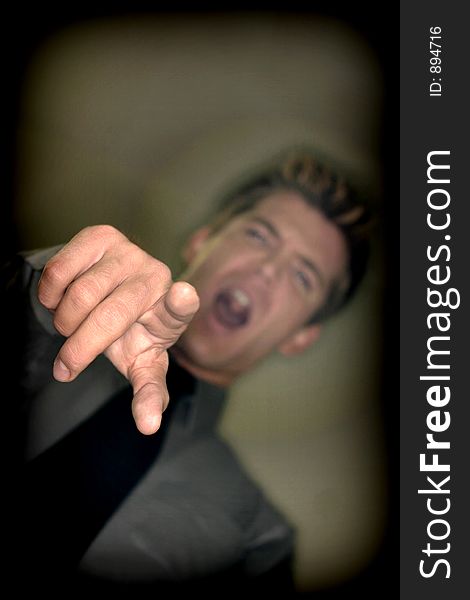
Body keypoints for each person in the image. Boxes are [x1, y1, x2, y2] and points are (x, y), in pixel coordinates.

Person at [4, 152, 372, 595]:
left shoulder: (259, 540)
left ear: (301, 337)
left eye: (302, 275)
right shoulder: (39, 317)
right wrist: (44, 289)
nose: (266, 270)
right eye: (258, 235)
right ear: (202, 241)